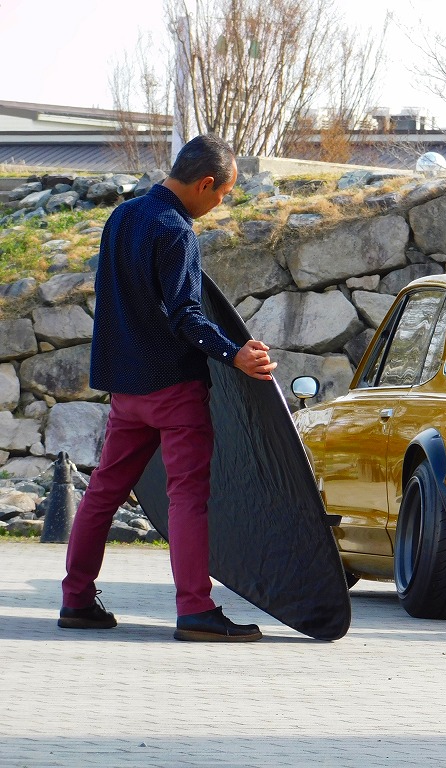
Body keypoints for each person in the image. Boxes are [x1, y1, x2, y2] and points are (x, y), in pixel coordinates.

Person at [58, 134, 277, 642]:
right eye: (223, 193)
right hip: (174, 390)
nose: (221, 202)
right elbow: (186, 316)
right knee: (187, 498)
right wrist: (235, 354)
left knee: (103, 493)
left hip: (126, 390)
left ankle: (75, 600)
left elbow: (115, 301)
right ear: (205, 184)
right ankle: (195, 609)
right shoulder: (176, 230)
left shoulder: (123, 217)